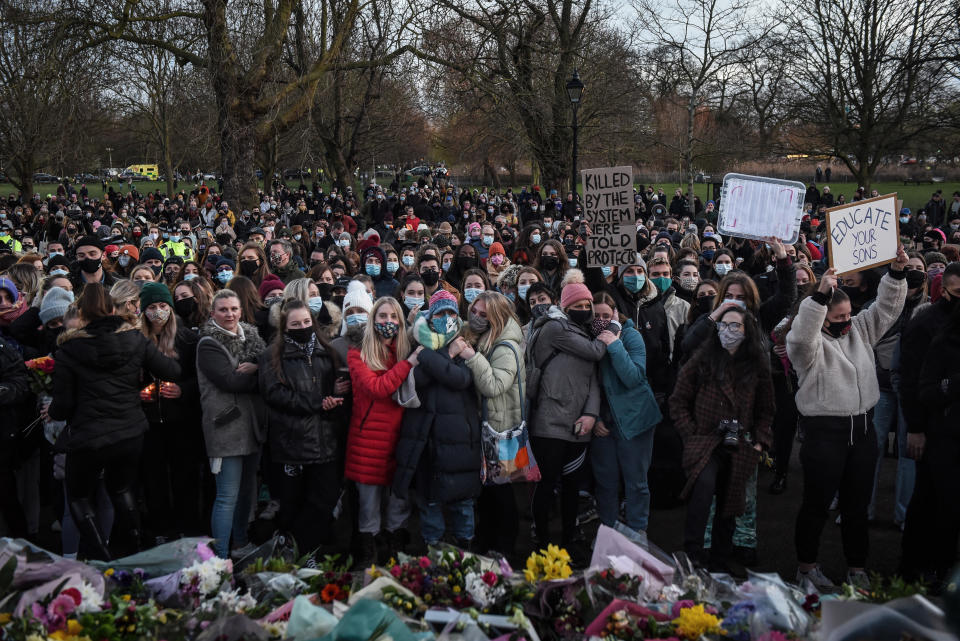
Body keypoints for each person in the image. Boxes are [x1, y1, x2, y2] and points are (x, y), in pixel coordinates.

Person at [787, 250, 908, 590]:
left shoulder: (858, 331)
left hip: (863, 431)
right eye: (837, 317)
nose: (846, 321)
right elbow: (800, 335)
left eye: (848, 314)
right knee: (816, 504)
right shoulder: (807, 348)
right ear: (821, 318)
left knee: (856, 506)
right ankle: (806, 569)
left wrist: (896, 274)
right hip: (825, 434)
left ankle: (857, 569)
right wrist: (819, 296)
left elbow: (885, 310)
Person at [48, 283, 181, 560]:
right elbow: (171, 369)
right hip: (129, 432)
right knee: (121, 490)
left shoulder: (69, 349)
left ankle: (102, 557)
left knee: (79, 497)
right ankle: (133, 553)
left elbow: (62, 408)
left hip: (88, 437)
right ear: (112, 309)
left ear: (82, 314)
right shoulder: (134, 339)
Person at [670, 305, 774, 573]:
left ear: (746, 330)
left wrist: (760, 442)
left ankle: (719, 563)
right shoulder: (703, 359)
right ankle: (693, 559)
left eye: (735, 326)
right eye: (724, 326)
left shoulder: (757, 364)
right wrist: (690, 433)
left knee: (730, 504)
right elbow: (678, 400)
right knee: (702, 494)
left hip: (739, 442)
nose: (728, 331)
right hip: (704, 441)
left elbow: (766, 409)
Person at [526, 271, 607, 557]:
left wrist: (590, 414)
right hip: (550, 421)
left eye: (588, 306)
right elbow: (597, 352)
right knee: (547, 484)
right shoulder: (555, 329)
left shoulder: (585, 330)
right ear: (564, 306)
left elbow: (594, 380)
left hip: (578, 425)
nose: (583, 311)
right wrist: (612, 332)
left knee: (572, 485)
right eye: (578, 306)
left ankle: (570, 538)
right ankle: (543, 542)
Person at [259, 299, 347, 556]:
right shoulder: (273, 356)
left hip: (325, 441)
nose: (303, 327)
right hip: (292, 443)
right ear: (285, 327)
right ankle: (301, 554)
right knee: (293, 505)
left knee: (324, 501)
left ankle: (297, 550)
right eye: (296, 324)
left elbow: (332, 388)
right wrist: (317, 402)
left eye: (307, 322)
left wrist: (335, 395)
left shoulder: (327, 352)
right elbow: (275, 395)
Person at [394, 289, 481, 548]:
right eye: (440, 313)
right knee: (430, 505)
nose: (446, 318)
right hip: (427, 439)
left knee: (463, 506)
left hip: (460, 440)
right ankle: (433, 556)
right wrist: (448, 355)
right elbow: (417, 379)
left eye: (451, 313)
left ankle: (465, 554)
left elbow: (462, 379)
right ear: (431, 317)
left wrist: (434, 358)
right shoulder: (416, 345)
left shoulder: (464, 344)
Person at [346, 296, 417, 567]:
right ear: (373, 320)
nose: (388, 322)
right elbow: (377, 388)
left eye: (393, 317)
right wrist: (409, 363)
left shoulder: (403, 349)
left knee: (399, 504)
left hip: (400, 439)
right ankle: (369, 559)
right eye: (382, 317)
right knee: (368, 508)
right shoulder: (358, 353)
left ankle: (395, 557)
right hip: (368, 442)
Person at [196, 289, 268, 559]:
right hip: (225, 429)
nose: (229, 314)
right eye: (223, 309)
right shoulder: (208, 344)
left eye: (234, 309)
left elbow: (258, 369)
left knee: (247, 492)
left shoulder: (251, 338)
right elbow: (231, 381)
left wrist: (256, 367)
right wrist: (259, 374)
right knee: (227, 495)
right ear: (213, 313)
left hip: (252, 426)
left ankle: (241, 542)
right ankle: (221, 555)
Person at [454, 291, 525, 558]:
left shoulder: (506, 345)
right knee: (485, 492)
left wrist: (472, 357)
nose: (477, 317)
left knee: (501, 493)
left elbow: (495, 386)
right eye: (474, 311)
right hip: (484, 427)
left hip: (500, 428)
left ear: (496, 318)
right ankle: (485, 542)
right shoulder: (478, 334)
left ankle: (505, 547)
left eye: (484, 315)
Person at [590, 291, 662, 539]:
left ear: (616, 315)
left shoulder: (631, 336)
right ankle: (608, 533)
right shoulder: (587, 339)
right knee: (606, 482)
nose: (600, 320)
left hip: (634, 420)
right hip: (603, 423)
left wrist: (614, 345)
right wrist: (596, 418)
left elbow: (634, 377)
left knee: (636, 482)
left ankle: (637, 532)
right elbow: (585, 384)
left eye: (605, 315)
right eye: (595, 316)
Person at [137, 282, 204, 541]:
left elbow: (200, 379)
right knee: (153, 479)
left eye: (163, 305)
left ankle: (187, 526)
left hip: (181, 420)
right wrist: (139, 394)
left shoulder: (187, 339)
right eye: (152, 307)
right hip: (149, 422)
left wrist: (183, 390)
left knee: (184, 475)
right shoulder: (136, 340)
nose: (158, 312)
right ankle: (160, 528)